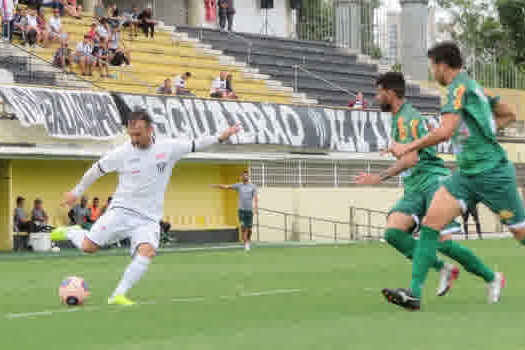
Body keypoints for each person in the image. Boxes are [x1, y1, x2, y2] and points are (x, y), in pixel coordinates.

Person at [52, 110, 240, 305]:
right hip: (121, 211)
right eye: (131, 134)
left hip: (148, 218)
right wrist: (76, 191)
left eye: (138, 134)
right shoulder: (123, 152)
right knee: (88, 247)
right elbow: (96, 170)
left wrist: (220, 137)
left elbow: (196, 144)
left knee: (147, 251)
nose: (134, 138)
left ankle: (118, 294)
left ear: (150, 130)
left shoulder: (168, 148)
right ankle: (71, 232)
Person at [384, 42, 520, 310]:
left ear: (442, 65)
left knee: (521, 232)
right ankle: (414, 292)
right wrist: (483, 130)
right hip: (466, 174)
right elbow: (508, 113)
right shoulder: (473, 86)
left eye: (432, 65)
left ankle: (494, 278)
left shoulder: (457, 89)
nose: (432, 71)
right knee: (431, 223)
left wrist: (407, 147)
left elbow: (445, 131)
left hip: (493, 174)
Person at [355, 71, 497, 304]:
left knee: (443, 242)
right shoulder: (398, 117)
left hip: (432, 181)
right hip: (414, 187)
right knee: (393, 232)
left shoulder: (407, 119)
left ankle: (491, 277)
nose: (376, 96)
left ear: (391, 93)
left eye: (379, 92)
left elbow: (412, 159)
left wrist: (379, 177)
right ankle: (443, 269)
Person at [210, 170, 258, 251]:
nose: (244, 177)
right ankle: (246, 244)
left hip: (249, 211)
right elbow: (227, 187)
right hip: (241, 210)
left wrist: (256, 208)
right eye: (243, 176)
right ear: (241, 177)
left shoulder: (253, 186)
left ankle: (247, 241)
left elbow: (255, 198)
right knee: (243, 227)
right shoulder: (239, 185)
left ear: (248, 177)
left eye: (246, 175)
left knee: (249, 229)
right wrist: (217, 185)